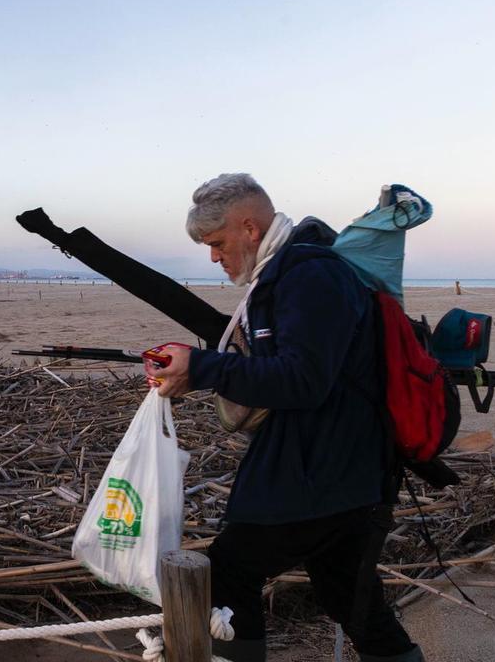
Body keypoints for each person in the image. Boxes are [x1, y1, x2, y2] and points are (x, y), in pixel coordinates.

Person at [153, 173, 422, 662]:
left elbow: (304, 380)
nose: (214, 256)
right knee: (349, 597)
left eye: (217, 243)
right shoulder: (289, 272)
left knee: (226, 576)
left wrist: (207, 366)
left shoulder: (309, 274)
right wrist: (198, 374)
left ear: (250, 229)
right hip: (345, 473)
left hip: (317, 474)